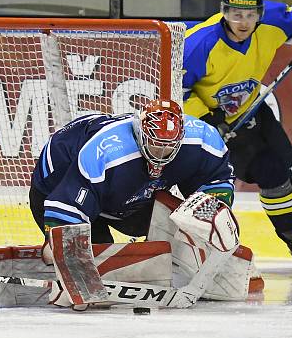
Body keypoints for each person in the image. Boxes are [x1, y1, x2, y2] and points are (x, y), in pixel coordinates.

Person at [182, 0, 292, 275]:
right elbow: (175, 89)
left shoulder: (271, 19)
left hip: (254, 110)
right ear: (223, 11)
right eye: (235, 14)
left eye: (249, 15)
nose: (243, 22)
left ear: (259, 13)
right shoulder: (199, 44)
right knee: (272, 172)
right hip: (217, 127)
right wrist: (209, 120)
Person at [29, 99, 235, 244]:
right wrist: (60, 249)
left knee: (178, 228)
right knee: (94, 254)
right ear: (140, 135)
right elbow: (67, 204)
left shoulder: (201, 139)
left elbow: (217, 180)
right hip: (58, 188)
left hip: (127, 197)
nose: (162, 153)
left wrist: (211, 220)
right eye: (155, 144)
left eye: (169, 146)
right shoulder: (107, 154)